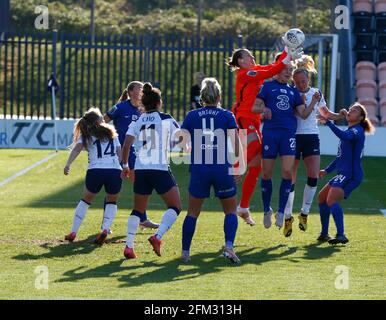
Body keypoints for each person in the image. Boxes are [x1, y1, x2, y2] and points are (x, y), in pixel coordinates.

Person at [227, 43, 303, 227]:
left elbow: (273, 67)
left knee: (257, 166)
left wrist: (287, 51)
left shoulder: (255, 69)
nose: (253, 58)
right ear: (240, 60)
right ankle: (236, 167)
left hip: (254, 119)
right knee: (255, 148)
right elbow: (271, 71)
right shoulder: (245, 73)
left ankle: (243, 207)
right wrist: (287, 54)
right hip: (243, 116)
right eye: (249, 55)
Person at [179, 77, 244, 264]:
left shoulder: (192, 116)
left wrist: (190, 150)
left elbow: (182, 142)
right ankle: (229, 247)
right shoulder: (226, 116)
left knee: (192, 213)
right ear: (219, 95)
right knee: (230, 211)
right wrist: (239, 166)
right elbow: (236, 142)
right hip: (222, 168)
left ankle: (185, 253)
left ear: (202, 96)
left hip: (200, 168)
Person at [284, 55, 347, 233]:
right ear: (293, 82)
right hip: (294, 137)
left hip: (311, 136)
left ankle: (304, 213)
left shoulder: (316, 93)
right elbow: (301, 114)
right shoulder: (291, 93)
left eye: (303, 81)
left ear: (308, 79)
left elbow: (326, 113)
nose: (300, 85)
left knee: (313, 176)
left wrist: (340, 115)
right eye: (297, 82)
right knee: (291, 179)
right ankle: (288, 216)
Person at [252, 61, 315, 237]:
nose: (288, 72)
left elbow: (303, 114)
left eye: (290, 70)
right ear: (277, 71)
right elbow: (254, 107)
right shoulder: (267, 87)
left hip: (288, 135)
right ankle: (266, 210)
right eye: (286, 70)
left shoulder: (293, 92)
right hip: (271, 134)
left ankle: (281, 211)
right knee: (266, 173)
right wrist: (263, 109)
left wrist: (312, 103)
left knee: (287, 172)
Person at [121, 82, 182, 259]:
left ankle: (129, 247)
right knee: (176, 206)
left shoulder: (138, 120)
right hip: (159, 168)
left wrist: (125, 166)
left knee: (137, 210)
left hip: (140, 169)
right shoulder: (166, 118)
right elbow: (182, 140)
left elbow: (126, 145)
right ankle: (157, 236)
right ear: (158, 103)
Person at [104, 81, 159, 230]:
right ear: (131, 92)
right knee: (114, 187)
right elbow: (104, 121)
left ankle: (142, 218)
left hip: (136, 153)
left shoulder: (143, 109)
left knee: (140, 184)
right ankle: (106, 224)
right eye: (139, 88)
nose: (142, 90)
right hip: (119, 152)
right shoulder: (120, 107)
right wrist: (107, 138)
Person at [317, 103, 375, 244]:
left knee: (331, 200)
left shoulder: (357, 131)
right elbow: (340, 157)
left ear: (360, 118)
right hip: (344, 173)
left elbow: (343, 135)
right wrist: (327, 170)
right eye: (350, 109)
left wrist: (328, 123)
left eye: (354, 111)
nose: (350, 111)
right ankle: (324, 234)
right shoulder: (352, 129)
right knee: (322, 198)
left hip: (351, 175)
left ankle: (341, 234)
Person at [63, 107, 122, 245]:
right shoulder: (111, 132)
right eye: (101, 117)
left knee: (86, 200)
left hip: (95, 171)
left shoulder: (87, 134)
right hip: (113, 171)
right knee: (112, 201)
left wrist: (68, 164)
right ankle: (105, 229)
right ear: (98, 121)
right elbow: (119, 150)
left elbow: (77, 149)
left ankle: (73, 231)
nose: (104, 119)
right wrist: (122, 166)